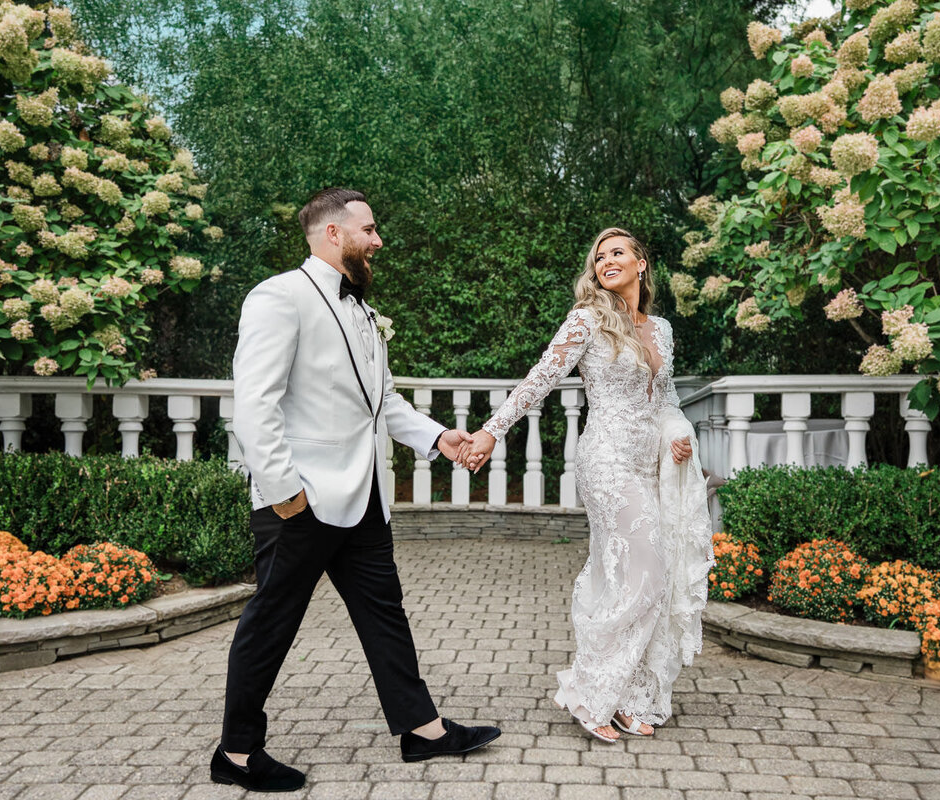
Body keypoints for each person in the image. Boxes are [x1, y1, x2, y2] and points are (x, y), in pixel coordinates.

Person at [214, 187, 501, 792]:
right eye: (368, 230)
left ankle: (421, 730)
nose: (378, 240)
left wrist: (440, 438)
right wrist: (285, 494)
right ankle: (236, 754)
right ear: (331, 234)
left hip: (364, 496)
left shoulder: (365, 312)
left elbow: (382, 402)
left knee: (384, 614)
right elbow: (255, 405)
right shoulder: (279, 297)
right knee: (271, 623)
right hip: (302, 501)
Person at [461, 227, 714, 743]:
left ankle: (628, 697)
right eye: (599, 257)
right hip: (607, 460)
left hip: (650, 463)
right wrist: (491, 431)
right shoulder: (587, 320)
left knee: (637, 576)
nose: (606, 262)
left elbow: (663, 401)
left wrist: (678, 436)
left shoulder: (661, 329)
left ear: (642, 264)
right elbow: (539, 380)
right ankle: (590, 692)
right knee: (645, 572)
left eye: (617, 253)